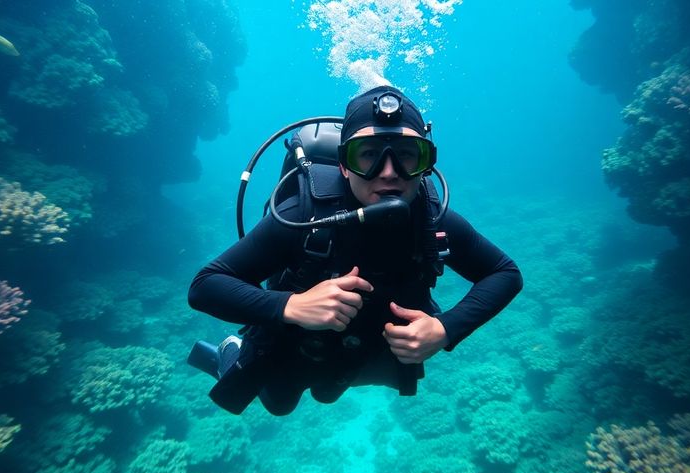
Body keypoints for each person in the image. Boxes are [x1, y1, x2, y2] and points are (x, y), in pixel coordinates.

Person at [188, 85, 522, 416]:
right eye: (368, 154)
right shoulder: (304, 216)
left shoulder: (433, 220)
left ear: (426, 163)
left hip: (362, 349)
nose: (389, 172)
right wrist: (292, 305)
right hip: (296, 340)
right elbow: (205, 286)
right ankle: (230, 352)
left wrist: (446, 328)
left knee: (326, 394)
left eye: (407, 154)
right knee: (279, 404)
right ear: (343, 165)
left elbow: (505, 273)